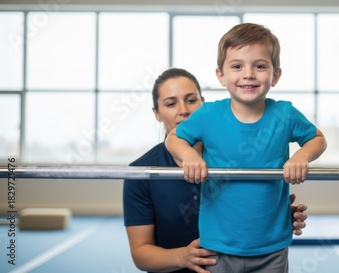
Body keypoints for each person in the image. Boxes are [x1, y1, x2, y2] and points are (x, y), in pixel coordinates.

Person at [166, 23, 327, 272]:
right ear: (221, 75)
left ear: (275, 76)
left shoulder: (285, 114)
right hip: (217, 248)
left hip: (271, 248)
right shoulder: (208, 115)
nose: (248, 74)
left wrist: (301, 156)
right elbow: (173, 139)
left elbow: (318, 138)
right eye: (237, 66)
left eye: (260, 66)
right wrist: (189, 155)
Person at [123, 68, 309, 273]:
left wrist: (272, 217)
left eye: (191, 100)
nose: (183, 110)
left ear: (202, 104)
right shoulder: (141, 172)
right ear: (157, 113)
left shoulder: (233, 155)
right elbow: (141, 254)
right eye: (171, 103)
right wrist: (183, 257)